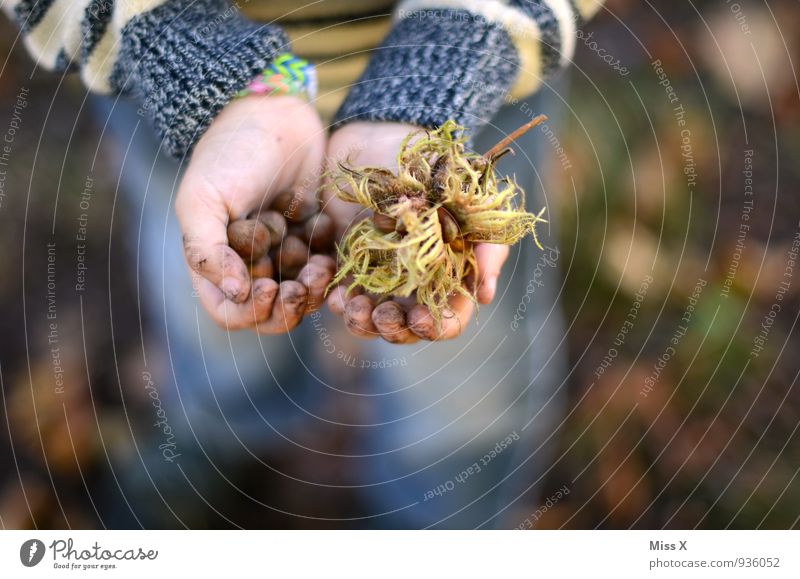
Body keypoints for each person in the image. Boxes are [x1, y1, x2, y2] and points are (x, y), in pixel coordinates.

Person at [4, 0, 604, 528]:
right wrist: (193, 58)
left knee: (464, 381)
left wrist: (443, 61)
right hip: (174, 95)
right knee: (217, 310)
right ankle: (223, 441)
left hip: (465, 91)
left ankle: (449, 518)